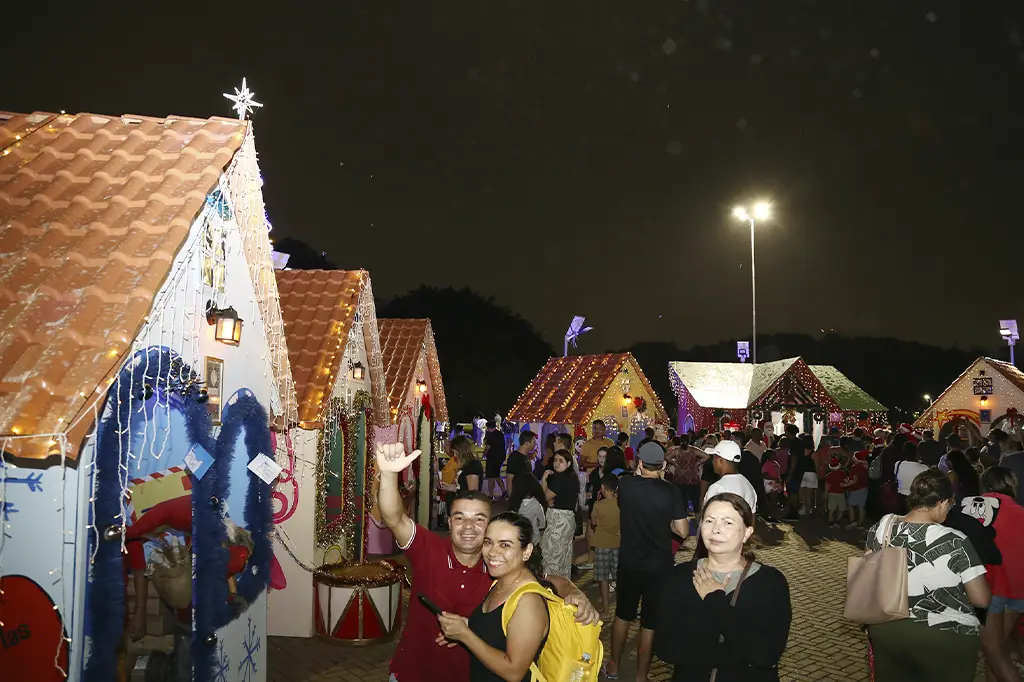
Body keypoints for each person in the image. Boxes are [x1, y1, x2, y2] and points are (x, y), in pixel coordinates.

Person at [375, 443, 597, 682]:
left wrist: (576, 594)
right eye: (460, 518)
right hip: (413, 673)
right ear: (449, 523)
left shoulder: (497, 565)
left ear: (488, 524)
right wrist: (388, 474)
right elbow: (395, 518)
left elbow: (551, 581)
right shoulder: (428, 549)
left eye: (479, 519)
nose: (469, 527)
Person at [865, 469, 991, 681]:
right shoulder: (955, 539)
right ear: (942, 502)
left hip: (887, 629)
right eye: (950, 505)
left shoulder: (883, 526)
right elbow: (981, 598)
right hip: (944, 636)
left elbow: (868, 573)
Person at [655, 493, 792, 681]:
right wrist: (739, 652)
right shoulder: (680, 576)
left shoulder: (770, 583)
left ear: (746, 533)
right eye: (709, 521)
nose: (716, 529)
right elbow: (666, 649)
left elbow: (765, 655)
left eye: (727, 522)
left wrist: (715, 600)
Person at [605, 442, 689, 682]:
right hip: (658, 565)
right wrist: (669, 523)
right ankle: (641, 676)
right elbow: (682, 531)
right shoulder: (671, 491)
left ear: (640, 463)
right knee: (650, 622)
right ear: (663, 465)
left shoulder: (626, 484)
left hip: (630, 561)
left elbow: (624, 503)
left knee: (623, 615)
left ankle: (613, 667)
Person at [436, 513, 550, 682]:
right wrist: (466, 625)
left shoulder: (528, 602)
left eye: (505, 545)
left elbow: (514, 672)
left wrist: (465, 635)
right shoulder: (500, 581)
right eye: (488, 542)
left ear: (526, 552)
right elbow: (499, 632)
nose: (492, 552)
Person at [963, 467, 1024, 682]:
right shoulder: (1021, 511)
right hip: (1018, 591)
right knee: (997, 648)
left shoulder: (975, 506)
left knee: (994, 650)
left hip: (992, 588)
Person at [540, 450, 579, 578]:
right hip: (567, 519)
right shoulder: (571, 477)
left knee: (553, 557)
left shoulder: (561, 479)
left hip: (559, 521)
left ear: (568, 463)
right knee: (564, 556)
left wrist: (544, 480)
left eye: (561, 461)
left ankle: (552, 590)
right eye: (555, 460)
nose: (557, 463)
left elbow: (544, 498)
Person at [591, 474, 621, 619]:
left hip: (602, 544)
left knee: (603, 578)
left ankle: (606, 609)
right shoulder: (621, 504)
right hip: (618, 543)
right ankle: (621, 609)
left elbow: (593, 522)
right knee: (619, 577)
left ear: (602, 488)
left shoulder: (598, 505)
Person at [704, 440, 757, 513]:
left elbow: (709, 519)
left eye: (713, 458)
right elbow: (751, 520)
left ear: (720, 460)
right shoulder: (748, 485)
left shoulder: (718, 488)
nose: (712, 461)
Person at [509, 472, 546, 545]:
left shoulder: (515, 503)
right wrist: (541, 525)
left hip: (519, 533)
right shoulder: (536, 504)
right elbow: (542, 519)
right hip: (533, 534)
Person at [505, 430, 536, 500]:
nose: (535, 444)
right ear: (527, 443)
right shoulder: (514, 457)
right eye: (533, 442)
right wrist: (511, 498)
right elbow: (509, 478)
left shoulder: (525, 457)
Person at [482, 420, 508, 500]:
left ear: (489, 428)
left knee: (491, 477)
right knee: (496, 475)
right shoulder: (500, 434)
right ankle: (504, 491)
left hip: (492, 458)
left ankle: (490, 495)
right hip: (500, 458)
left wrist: (484, 455)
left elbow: (488, 447)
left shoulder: (491, 436)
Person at [846, 450, 870, 528]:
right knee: (861, 506)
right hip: (864, 487)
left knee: (850, 504)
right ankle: (861, 523)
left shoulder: (854, 467)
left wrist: (846, 484)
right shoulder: (865, 466)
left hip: (856, 488)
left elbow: (855, 480)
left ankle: (852, 521)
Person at [825, 455, 847, 528]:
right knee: (841, 508)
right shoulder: (842, 473)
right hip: (840, 493)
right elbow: (846, 481)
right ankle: (838, 521)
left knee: (831, 509)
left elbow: (828, 486)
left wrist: (825, 494)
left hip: (832, 493)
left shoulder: (829, 475)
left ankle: (830, 522)